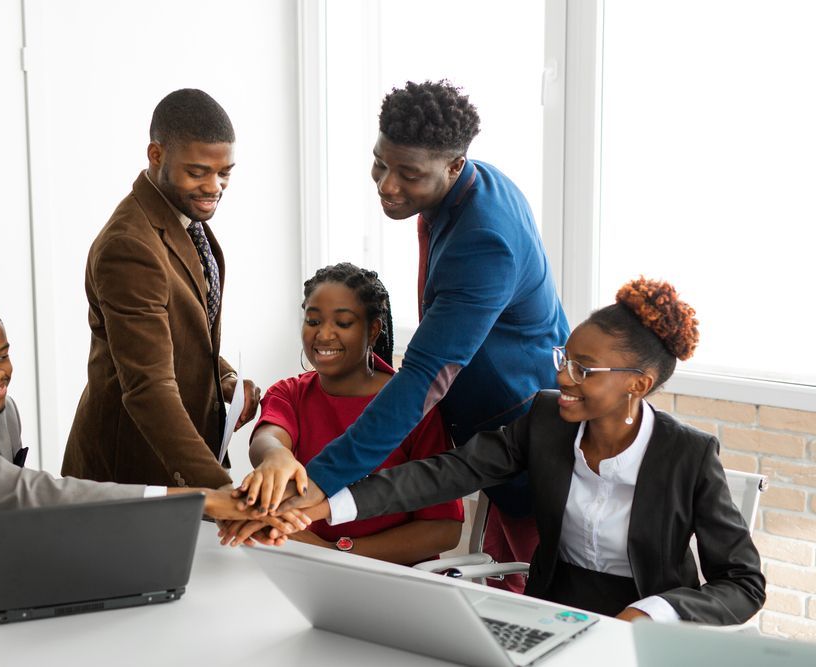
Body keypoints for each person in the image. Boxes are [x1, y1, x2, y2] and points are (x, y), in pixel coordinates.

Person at [266, 278, 765, 625]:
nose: (562, 377)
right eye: (563, 359)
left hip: (643, 622)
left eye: (583, 370)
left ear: (639, 383)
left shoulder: (689, 456)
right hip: (551, 613)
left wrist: (654, 611)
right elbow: (447, 473)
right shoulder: (546, 420)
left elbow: (743, 582)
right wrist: (328, 501)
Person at [246, 80, 569, 592]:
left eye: (409, 174)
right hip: (497, 429)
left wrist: (323, 483)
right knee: (506, 595)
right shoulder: (467, 184)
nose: (386, 185)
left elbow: (423, 376)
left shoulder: (484, 240)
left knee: (546, 602)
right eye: (380, 163)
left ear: (455, 165)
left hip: (531, 434)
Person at [0, 288, 303, 603]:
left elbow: (15, 515)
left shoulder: (1, 410)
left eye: (2, 355)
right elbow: (24, 492)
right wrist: (201, 499)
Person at [62, 88, 261, 490]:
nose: (215, 187)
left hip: (170, 463)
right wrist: (220, 488)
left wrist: (223, 376)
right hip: (131, 470)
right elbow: (148, 388)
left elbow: (177, 334)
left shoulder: (183, 217)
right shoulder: (129, 246)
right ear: (156, 156)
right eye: (198, 171)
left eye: (225, 172)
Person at [235, 263, 463, 564]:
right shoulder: (289, 392)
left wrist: (335, 553)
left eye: (342, 323)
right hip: (303, 569)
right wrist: (277, 456)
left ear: (373, 329)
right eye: (313, 320)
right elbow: (269, 438)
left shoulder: (413, 406)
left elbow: (443, 529)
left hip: (393, 580)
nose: (323, 334)